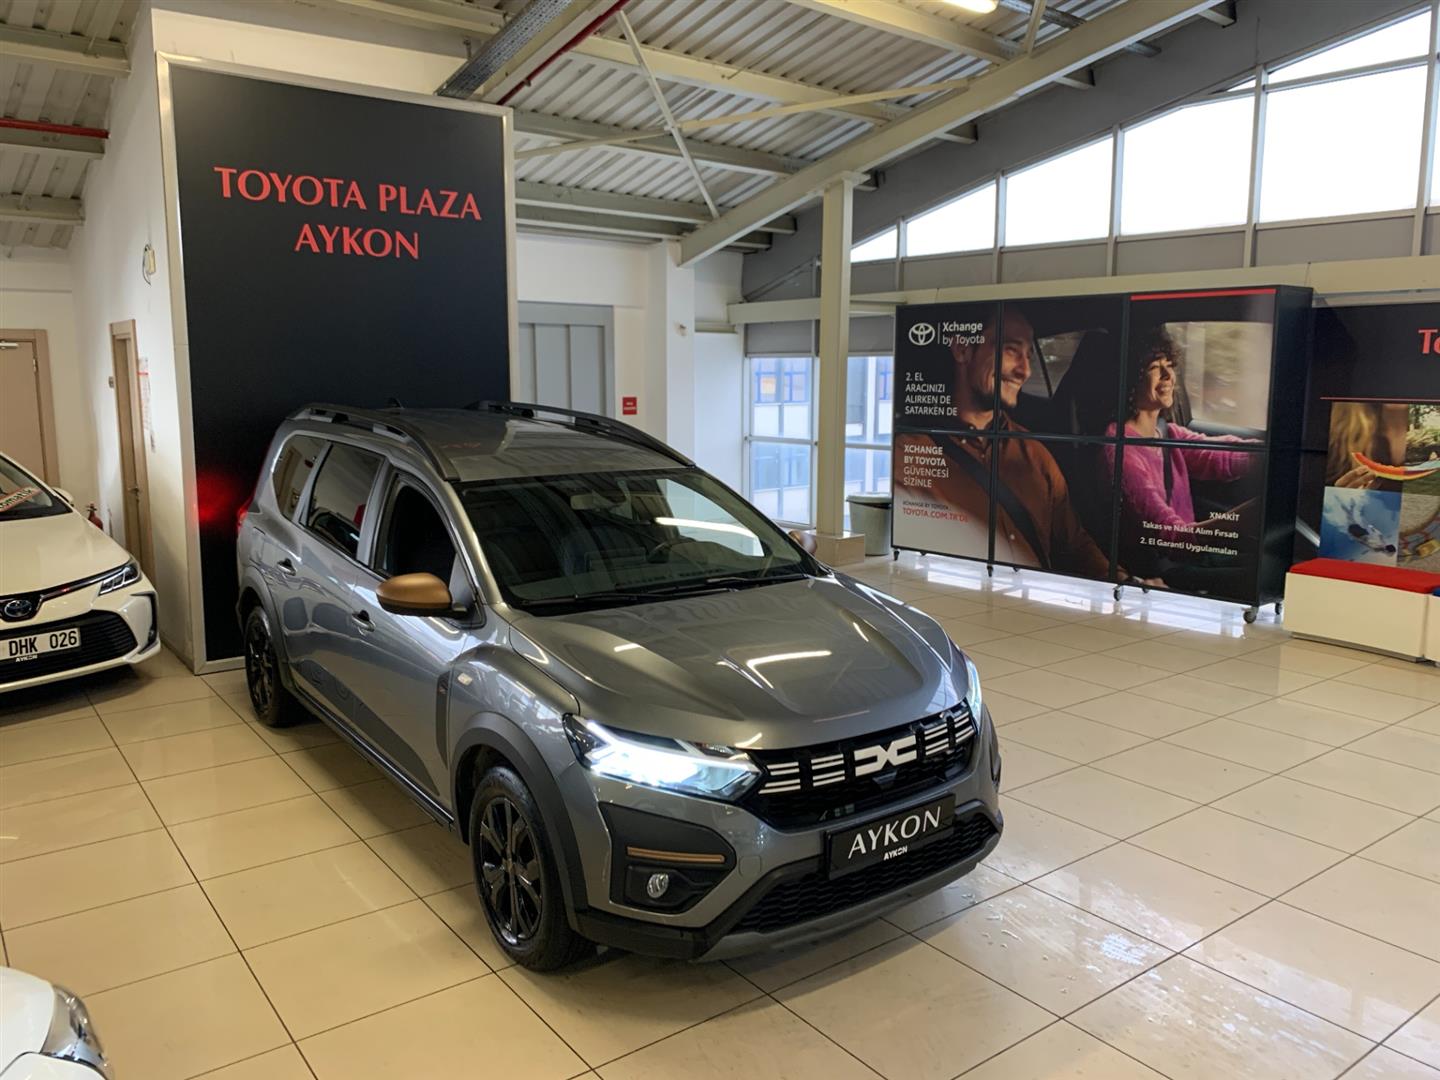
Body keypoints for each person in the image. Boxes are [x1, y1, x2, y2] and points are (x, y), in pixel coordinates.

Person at [901, 308, 1112, 578]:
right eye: (1011, 350)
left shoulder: (1035, 454)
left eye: (1029, 356)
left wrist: (1125, 581)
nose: (1025, 371)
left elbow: (1074, 545)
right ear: (963, 349)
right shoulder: (909, 454)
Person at [1105, 328, 1259, 561]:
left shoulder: (1166, 432)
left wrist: (1266, 456)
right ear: (1130, 378)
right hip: (1166, 565)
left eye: (1169, 365)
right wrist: (1237, 522)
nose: (1168, 375)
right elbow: (1168, 536)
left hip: (1189, 552)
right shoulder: (1120, 452)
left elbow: (1216, 454)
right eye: (1154, 367)